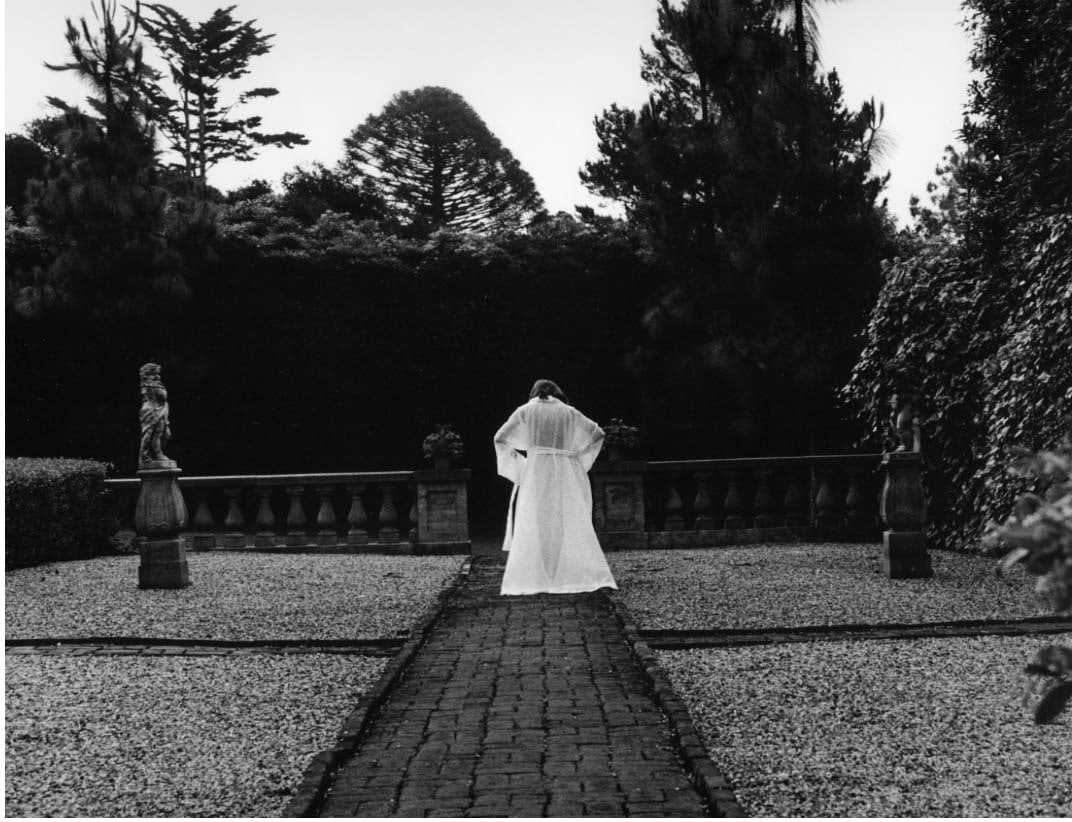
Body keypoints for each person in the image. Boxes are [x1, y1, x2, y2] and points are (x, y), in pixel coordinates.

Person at [493, 379, 618, 595]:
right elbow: (598, 433)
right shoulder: (568, 412)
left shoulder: (525, 411)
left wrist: (520, 464)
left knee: (535, 517)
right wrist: (577, 458)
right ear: (557, 393)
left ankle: (539, 575)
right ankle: (561, 573)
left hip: (536, 470)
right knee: (563, 517)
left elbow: (500, 438)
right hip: (564, 470)